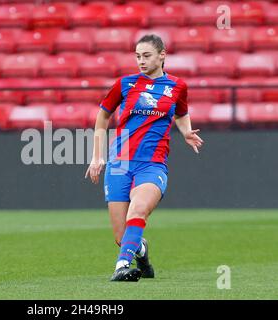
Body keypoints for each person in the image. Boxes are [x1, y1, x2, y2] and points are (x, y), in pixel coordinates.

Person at [85, 34, 204, 282]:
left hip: (152, 164)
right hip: (119, 163)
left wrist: (186, 132)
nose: (141, 60)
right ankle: (141, 252)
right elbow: (102, 117)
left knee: (138, 209)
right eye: (138, 56)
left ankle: (122, 266)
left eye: (147, 55)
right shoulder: (124, 84)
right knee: (122, 236)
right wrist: (97, 157)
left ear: (162, 55)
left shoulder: (177, 86)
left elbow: (181, 113)